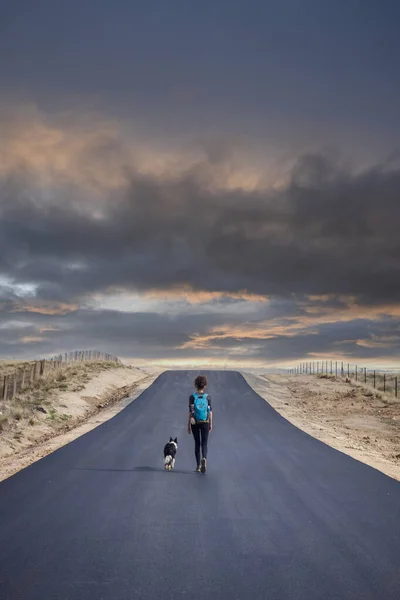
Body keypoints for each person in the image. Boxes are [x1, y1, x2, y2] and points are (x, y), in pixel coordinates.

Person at [187, 375, 212, 472]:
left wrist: (188, 424)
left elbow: (190, 412)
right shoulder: (208, 398)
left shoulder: (192, 397)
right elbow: (210, 412)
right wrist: (210, 423)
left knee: (197, 443)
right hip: (205, 421)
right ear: (205, 385)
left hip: (195, 422)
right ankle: (204, 458)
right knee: (204, 443)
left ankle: (198, 466)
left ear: (195, 385)